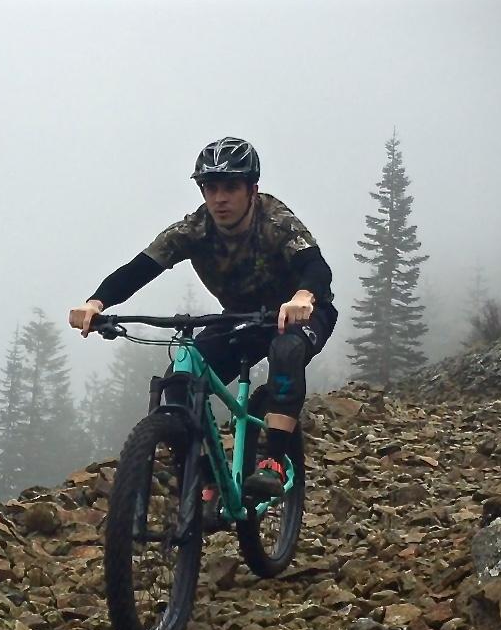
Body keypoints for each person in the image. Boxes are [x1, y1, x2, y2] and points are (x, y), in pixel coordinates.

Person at [68, 137, 337, 506]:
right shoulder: (194, 229)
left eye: (230, 187)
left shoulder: (274, 220)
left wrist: (304, 296)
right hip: (241, 317)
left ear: (252, 190)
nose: (219, 198)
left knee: (286, 348)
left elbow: (315, 265)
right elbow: (140, 268)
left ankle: (273, 460)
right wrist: (97, 302)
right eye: (211, 188)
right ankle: (205, 477)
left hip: (300, 312)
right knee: (178, 382)